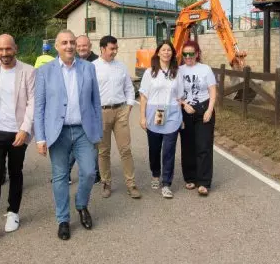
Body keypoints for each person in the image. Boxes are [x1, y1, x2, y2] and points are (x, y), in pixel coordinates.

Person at [34, 29, 102, 240]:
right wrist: (41, 138)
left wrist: (97, 131)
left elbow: (95, 102)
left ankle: (81, 205)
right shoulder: (45, 71)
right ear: (56, 46)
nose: (69, 46)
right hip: (58, 133)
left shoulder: (88, 68)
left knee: (90, 172)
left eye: (72, 42)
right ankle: (63, 219)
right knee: (60, 177)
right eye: (64, 43)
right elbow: (40, 107)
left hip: (83, 131)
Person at [0, 34, 35, 245]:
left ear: (15, 49)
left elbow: (32, 103)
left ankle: (13, 212)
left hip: (17, 132)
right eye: (0, 50)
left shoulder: (27, 71)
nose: (4, 54)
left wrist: (24, 129)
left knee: (16, 171)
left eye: (8, 49)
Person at [93, 35, 141, 199]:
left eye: (116, 48)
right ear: (102, 49)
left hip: (120, 111)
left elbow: (129, 89)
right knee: (103, 151)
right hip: (101, 113)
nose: (115, 52)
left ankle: (131, 184)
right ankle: (106, 183)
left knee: (125, 150)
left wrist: (128, 108)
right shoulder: (93, 67)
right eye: (112, 48)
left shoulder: (121, 67)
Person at [138, 40, 185, 199]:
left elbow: (180, 97)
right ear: (158, 53)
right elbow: (143, 96)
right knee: (154, 149)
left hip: (172, 113)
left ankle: (166, 183)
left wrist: (182, 118)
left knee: (169, 150)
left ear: (172, 54)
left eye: (169, 50)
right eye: (164, 50)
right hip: (154, 113)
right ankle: (155, 174)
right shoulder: (149, 72)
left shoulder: (177, 73)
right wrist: (142, 117)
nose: (166, 52)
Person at [179, 40, 217, 196]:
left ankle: (204, 181)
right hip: (185, 111)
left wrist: (210, 109)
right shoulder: (178, 70)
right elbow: (173, 93)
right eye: (185, 54)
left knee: (204, 146)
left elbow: (213, 91)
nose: (188, 57)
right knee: (187, 146)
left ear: (197, 54)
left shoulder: (205, 69)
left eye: (191, 53)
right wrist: (182, 104)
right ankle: (190, 177)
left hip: (203, 109)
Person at [69, 34, 100, 184]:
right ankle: (65, 173)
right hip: (74, 110)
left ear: (90, 46)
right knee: (73, 144)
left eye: (84, 45)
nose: (81, 48)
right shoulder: (71, 61)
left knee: (92, 143)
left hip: (91, 110)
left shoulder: (96, 63)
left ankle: (95, 173)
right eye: (79, 45)